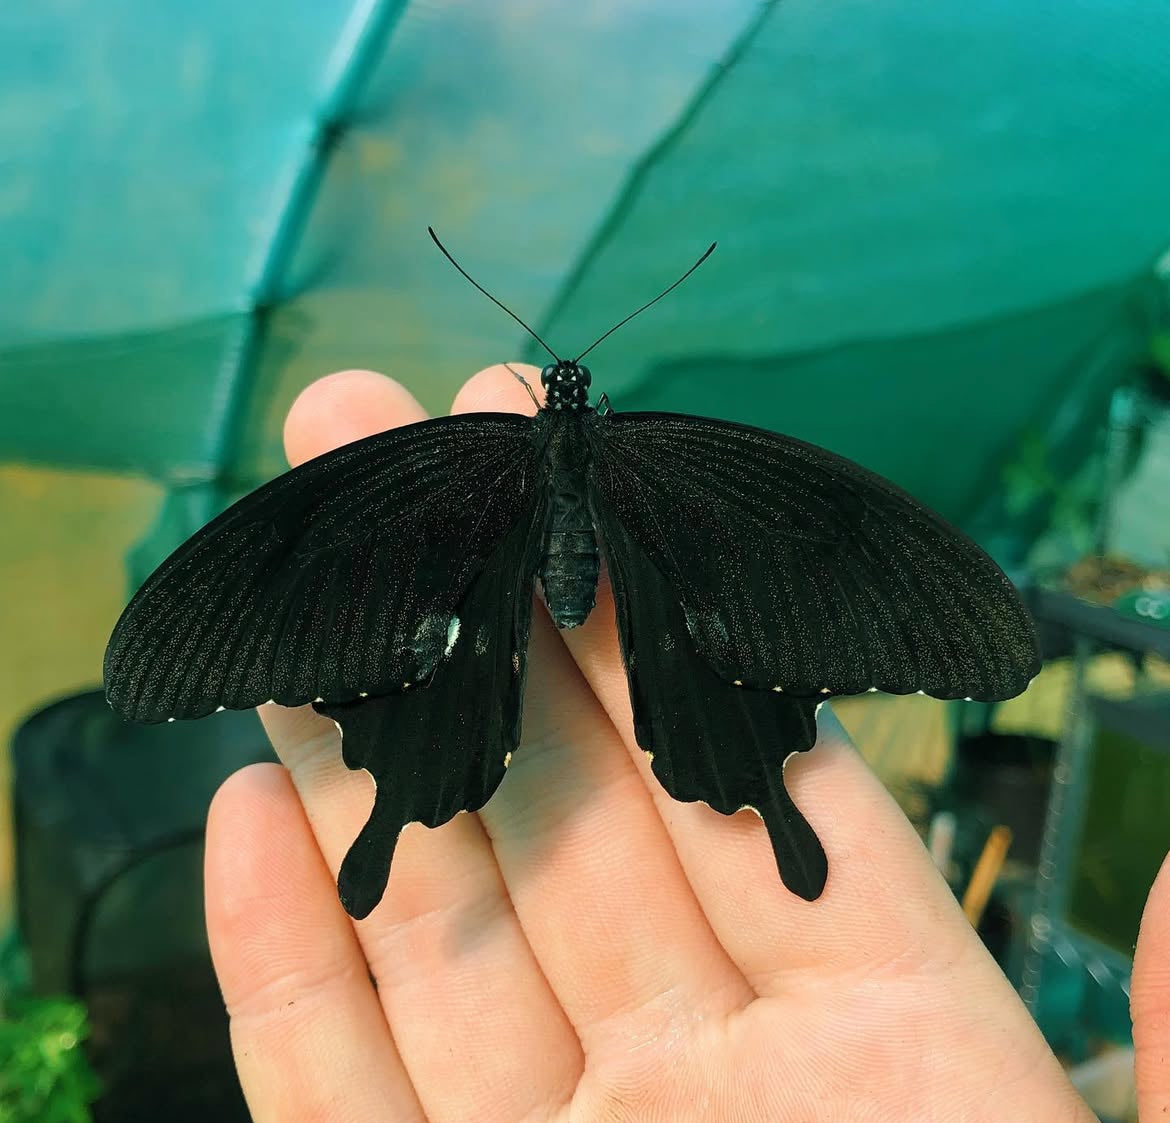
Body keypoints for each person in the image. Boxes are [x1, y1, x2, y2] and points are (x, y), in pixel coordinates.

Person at [204, 366, 1170, 1122]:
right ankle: (769, 818)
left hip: (549, 634)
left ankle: (389, 829)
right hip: (615, 634)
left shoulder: (476, 459)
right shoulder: (680, 456)